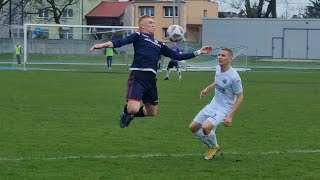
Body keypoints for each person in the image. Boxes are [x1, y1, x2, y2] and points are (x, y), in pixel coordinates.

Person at [89, 15, 212, 128]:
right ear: (142, 25)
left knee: (151, 112)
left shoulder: (159, 43)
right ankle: (125, 113)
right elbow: (120, 42)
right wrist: (102, 45)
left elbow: (177, 56)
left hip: (151, 79)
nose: (153, 24)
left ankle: (131, 116)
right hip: (138, 75)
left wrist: (199, 52)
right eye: (150, 22)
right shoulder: (138, 35)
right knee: (133, 108)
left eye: (154, 23)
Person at [189, 48, 244, 160]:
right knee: (193, 127)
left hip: (224, 108)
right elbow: (218, 81)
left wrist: (230, 116)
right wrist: (207, 89)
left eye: (223, 55)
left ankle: (214, 147)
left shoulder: (234, 77)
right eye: (219, 55)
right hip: (213, 104)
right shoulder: (218, 68)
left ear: (230, 59)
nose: (219, 57)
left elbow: (240, 97)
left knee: (206, 127)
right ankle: (211, 145)